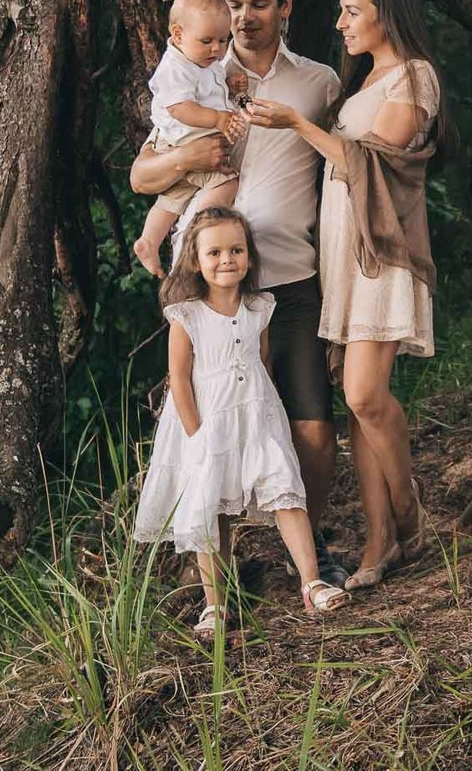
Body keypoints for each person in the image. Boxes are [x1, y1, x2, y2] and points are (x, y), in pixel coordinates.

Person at [130, 0, 348, 589]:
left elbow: (345, 168)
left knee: (312, 423)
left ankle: (309, 551)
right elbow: (144, 175)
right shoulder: (197, 74)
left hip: (289, 273)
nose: (244, 18)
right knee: (211, 426)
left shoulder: (319, 83)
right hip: (211, 286)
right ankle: (214, 577)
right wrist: (188, 157)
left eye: (258, 4)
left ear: (283, 7)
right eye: (233, 5)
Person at [245, 0, 446, 591]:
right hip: (340, 258)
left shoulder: (416, 77)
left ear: (387, 11)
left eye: (352, 11)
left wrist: (300, 125)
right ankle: (380, 543)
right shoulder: (362, 84)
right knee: (357, 408)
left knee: (363, 395)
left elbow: (375, 164)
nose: (340, 23)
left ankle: (410, 513)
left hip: (380, 254)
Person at [131, 206, 350, 641]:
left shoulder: (259, 308)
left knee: (287, 493)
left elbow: (263, 361)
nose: (226, 259)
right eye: (215, 252)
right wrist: (197, 435)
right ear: (195, 260)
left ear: (249, 256)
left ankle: (312, 583)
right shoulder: (186, 316)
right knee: (214, 510)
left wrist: (268, 413)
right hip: (207, 423)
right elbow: (179, 378)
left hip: (257, 417)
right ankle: (216, 605)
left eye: (236, 250)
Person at [131, 0, 246, 278]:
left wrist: (230, 84)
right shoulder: (176, 67)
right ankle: (195, 231)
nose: (217, 49)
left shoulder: (203, 59)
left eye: (223, 40)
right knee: (226, 183)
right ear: (178, 34)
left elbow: (212, 85)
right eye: (208, 40)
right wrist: (219, 119)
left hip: (188, 143)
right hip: (183, 140)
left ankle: (149, 240)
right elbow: (181, 109)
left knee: (176, 194)